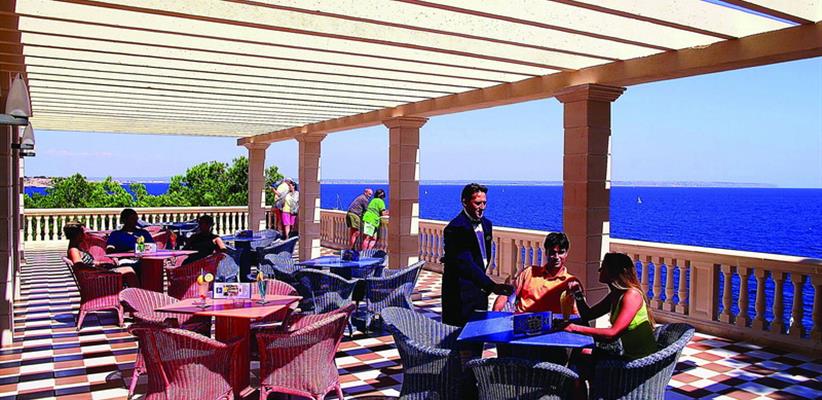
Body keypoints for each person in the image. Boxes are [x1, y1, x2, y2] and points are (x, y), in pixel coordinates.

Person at [441, 183, 513, 327]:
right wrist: (492, 286)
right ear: (465, 202)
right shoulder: (455, 229)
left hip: (480, 292)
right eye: (478, 203)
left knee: (478, 331)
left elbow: (483, 257)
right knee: (458, 334)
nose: (482, 207)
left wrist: (485, 287)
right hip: (459, 294)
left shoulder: (487, 225)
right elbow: (465, 263)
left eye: (484, 203)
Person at [565, 252, 657, 360]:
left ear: (613, 271)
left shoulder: (632, 296)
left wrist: (574, 328)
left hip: (641, 360)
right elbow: (588, 315)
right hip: (627, 356)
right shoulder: (615, 294)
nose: (599, 270)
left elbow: (612, 334)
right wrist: (578, 294)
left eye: (603, 267)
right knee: (582, 352)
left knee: (582, 356)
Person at [496, 232, 579, 314]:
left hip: (550, 322)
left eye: (561, 252)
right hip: (521, 319)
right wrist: (496, 312)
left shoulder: (571, 282)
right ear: (546, 252)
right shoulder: (529, 272)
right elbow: (507, 293)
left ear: (566, 254)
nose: (557, 257)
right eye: (552, 253)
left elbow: (578, 314)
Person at [63, 221, 139, 288]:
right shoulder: (73, 250)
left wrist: (100, 263)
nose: (84, 234)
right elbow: (80, 266)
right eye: (82, 232)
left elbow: (87, 263)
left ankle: (132, 293)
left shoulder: (77, 248)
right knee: (129, 271)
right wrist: (99, 269)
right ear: (77, 235)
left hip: (96, 274)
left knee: (129, 267)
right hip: (96, 278)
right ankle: (136, 295)